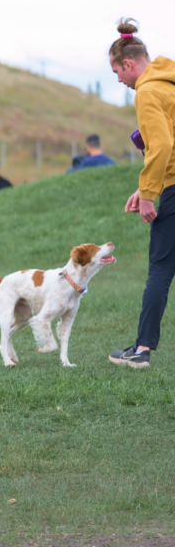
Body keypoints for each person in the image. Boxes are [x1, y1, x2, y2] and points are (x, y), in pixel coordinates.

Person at [107, 19, 175, 368]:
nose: (118, 79)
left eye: (116, 71)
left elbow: (162, 145)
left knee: (160, 269)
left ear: (129, 64)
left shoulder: (148, 91)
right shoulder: (170, 84)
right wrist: (145, 185)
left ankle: (142, 350)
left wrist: (149, 195)